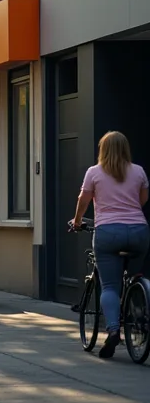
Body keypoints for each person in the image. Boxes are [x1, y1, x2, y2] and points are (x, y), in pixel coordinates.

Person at [68, 131, 150, 359]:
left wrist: (76, 222)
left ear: (102, 149)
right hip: (139, 232)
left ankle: (114, 330)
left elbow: (83, 201)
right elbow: (142, 200)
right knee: (135, 275)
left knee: (111, 286)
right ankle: (138, 306)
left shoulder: (94, 173)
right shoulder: (139, 171)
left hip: (108, 232)